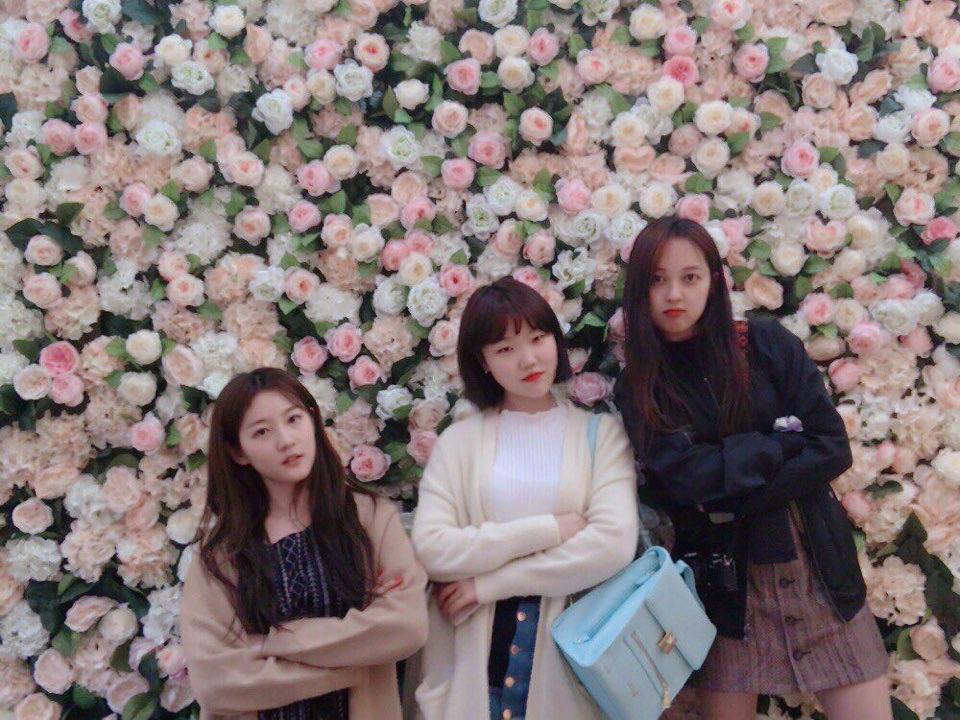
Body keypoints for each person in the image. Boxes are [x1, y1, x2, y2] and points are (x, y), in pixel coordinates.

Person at [614, 216, 891, 720]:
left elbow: (832, 448)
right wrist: (778, 446)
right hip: (725, 588)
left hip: (816, 569)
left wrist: (729, 489)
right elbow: (683, 482)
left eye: (690, 277)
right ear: (638, 291)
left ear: (714, 281)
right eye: (657, 279)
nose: (674, 293)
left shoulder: (766, 344)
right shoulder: (640, 386)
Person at [411, 276, 640, 720]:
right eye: (505, 349)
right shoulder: (459, 442)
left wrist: (487, 585)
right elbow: (433, 550)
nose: (528, 359)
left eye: (538, 339)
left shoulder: (600, 436)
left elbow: (612, 547)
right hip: (474, 672)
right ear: (483, 362)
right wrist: (549, 530)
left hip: (566, 671)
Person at [180, 367, 429, 720]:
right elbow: (216, 683)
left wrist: (272, 642)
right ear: (238, 452)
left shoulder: (370, 520)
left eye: (293, 419)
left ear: (312, 421)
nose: (286, 440)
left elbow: (406, 628)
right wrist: (354, 663)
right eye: (262, 431)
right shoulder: (223, 554)